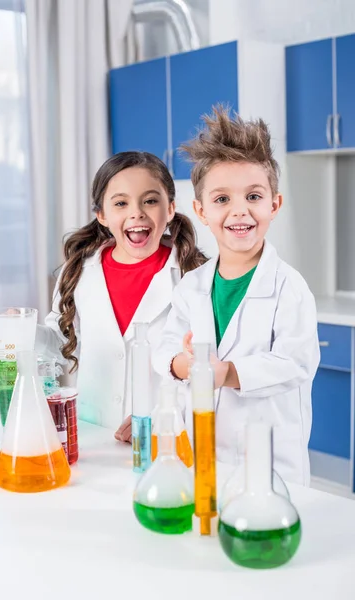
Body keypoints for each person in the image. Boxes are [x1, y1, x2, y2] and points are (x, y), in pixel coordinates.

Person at [153, 106, 320, 485]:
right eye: (222, 199)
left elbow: (295, 363)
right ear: (201, 210)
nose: (239, 211)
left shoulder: (289, 288)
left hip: (272, 467)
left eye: (254, 196)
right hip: (201, 458)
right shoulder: (191, 287)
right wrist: (184, 365)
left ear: (274, 205)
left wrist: (224, 372)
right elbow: (163, 349)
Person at [35, 151, 207, 443]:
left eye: (150, 200)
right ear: (102, 215)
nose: (136, 212)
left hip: (166, 438)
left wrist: (165, 415)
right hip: (94, 434)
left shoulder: (197, 277)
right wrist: (24, 335)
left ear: (171, 209)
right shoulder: (76, 271)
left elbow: (207, 367)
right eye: (120, 203)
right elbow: (60, 339)